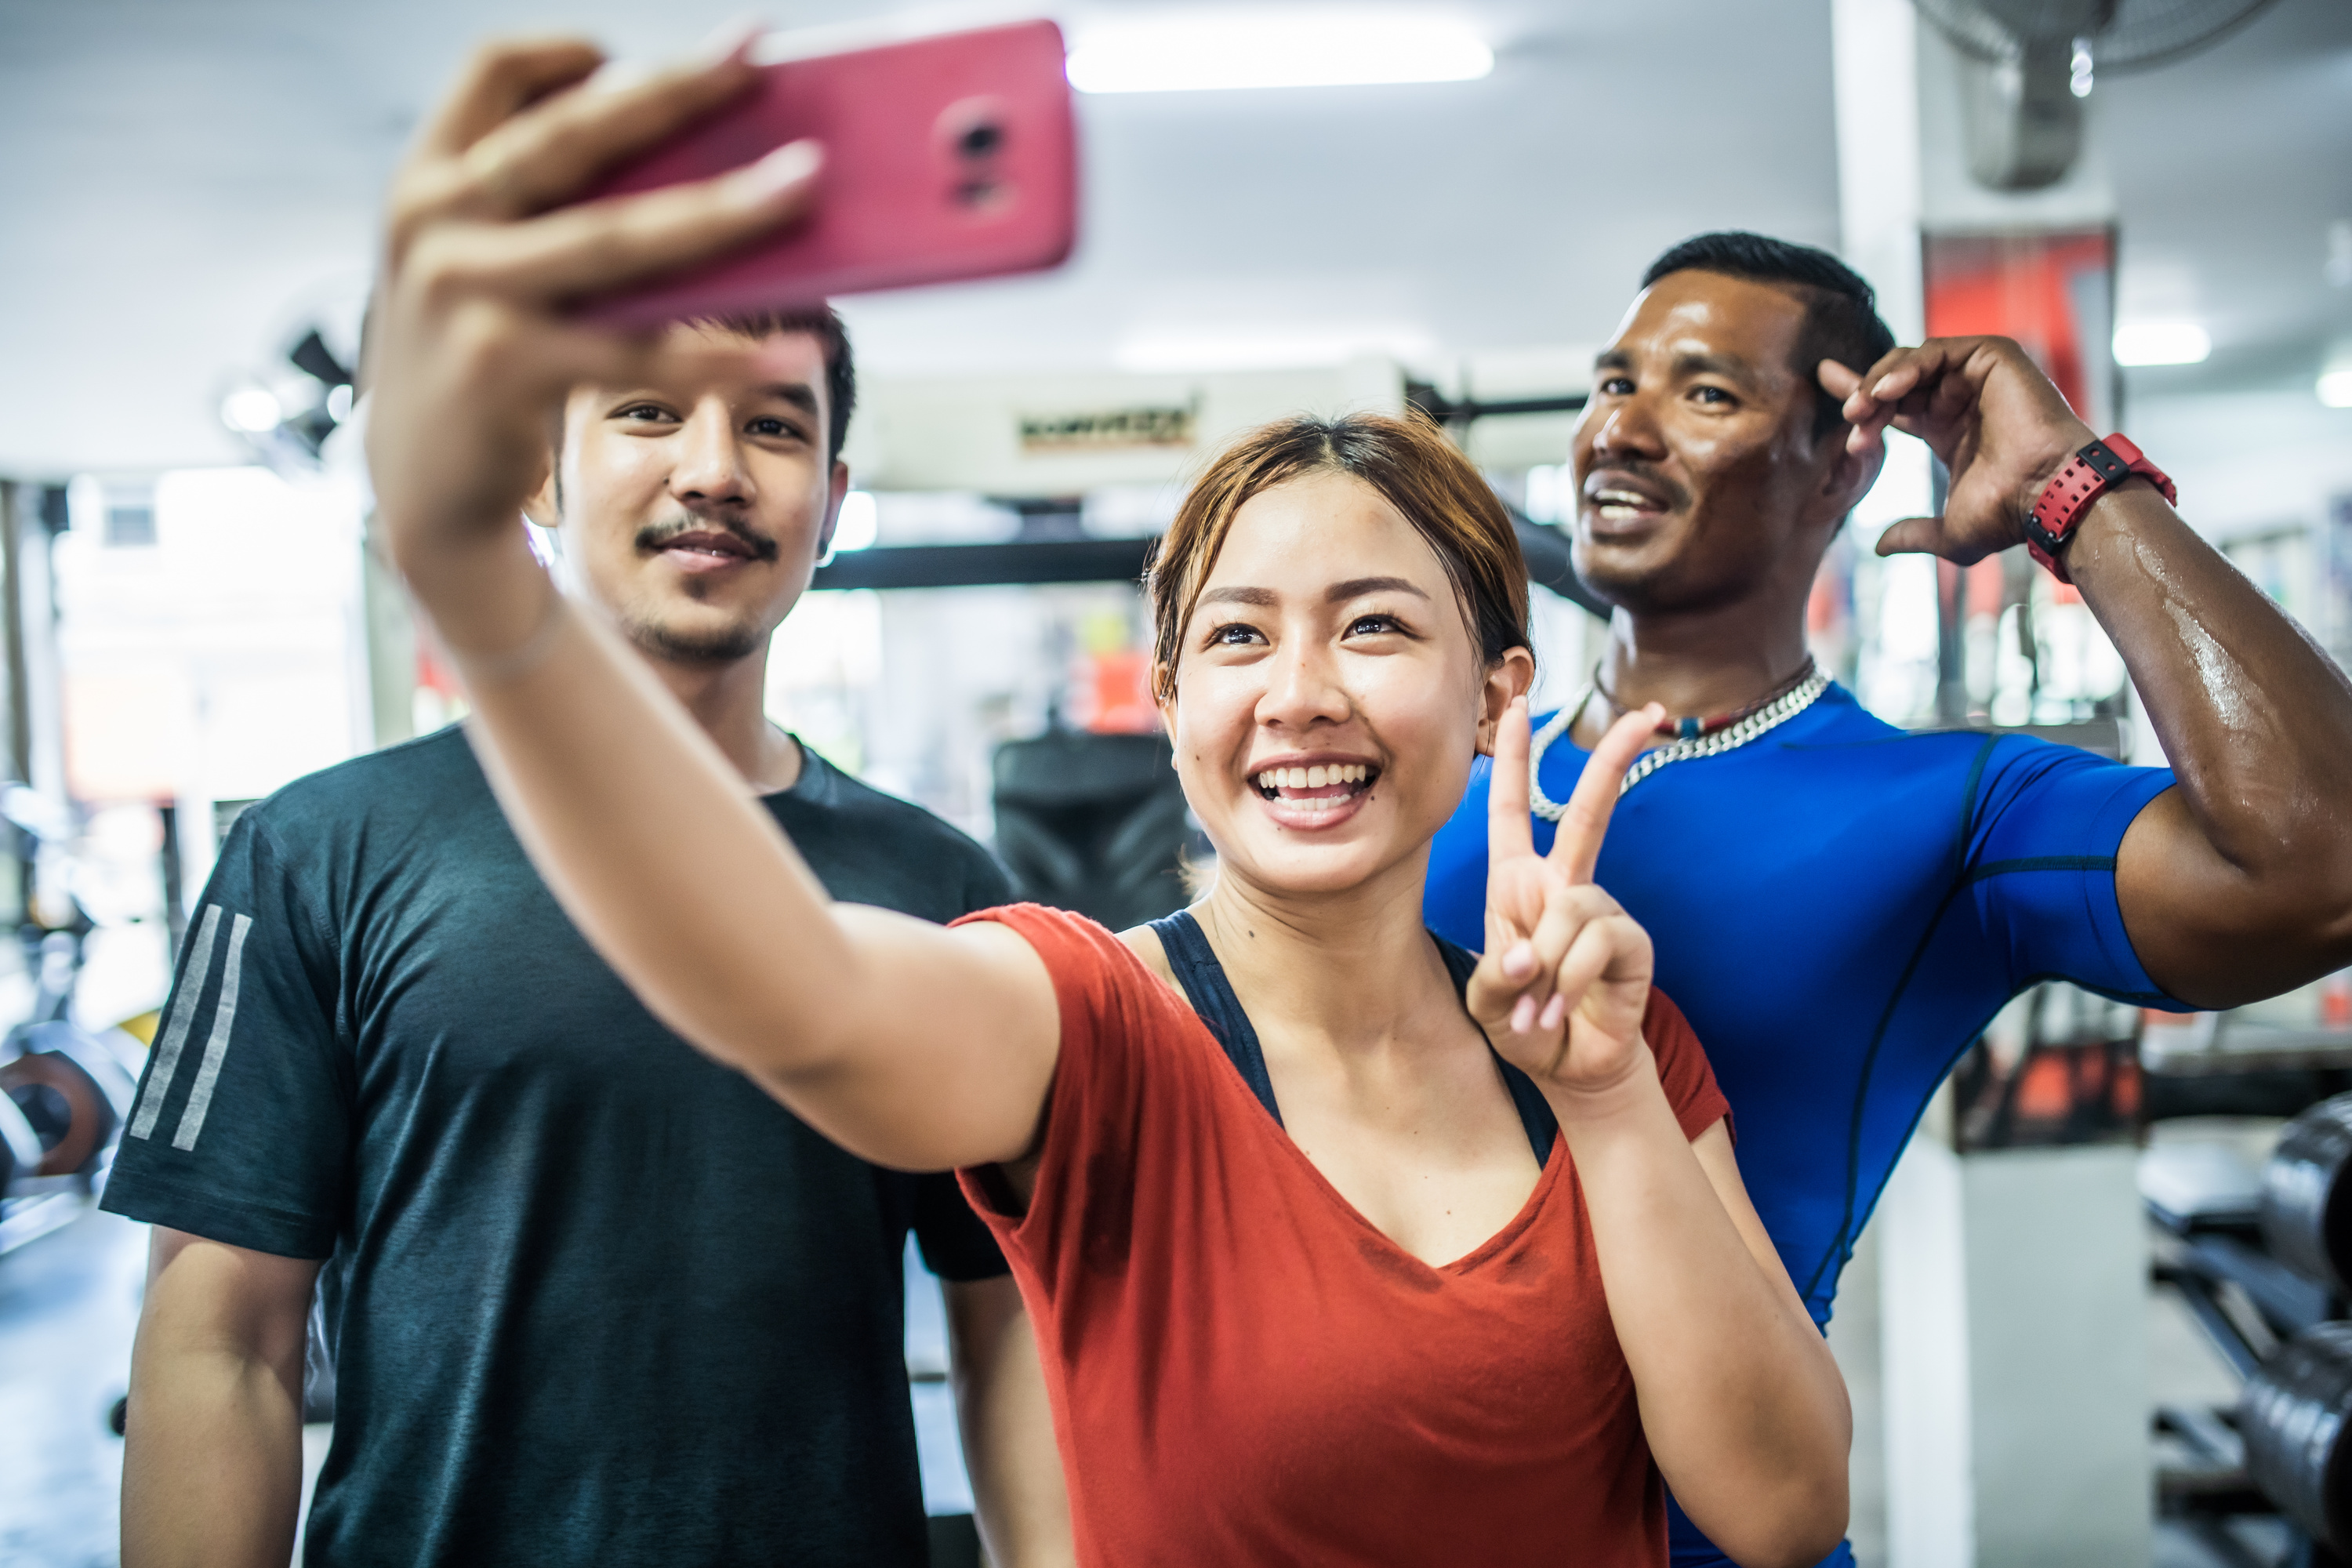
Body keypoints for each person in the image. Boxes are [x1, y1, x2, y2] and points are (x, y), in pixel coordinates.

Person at [352, 39, 1854, 1565]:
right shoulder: (1089, 1022)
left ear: (1495, 695)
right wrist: (473, 573)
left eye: (1377, 625)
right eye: (1239, 635)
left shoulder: (1608, 1046)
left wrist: (1606, 1103)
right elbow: (791, 992)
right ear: (1177, 701)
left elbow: (1784, 1506)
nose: (1302, 690)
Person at [101, 100, 1073, 1566]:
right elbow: (220, 1339)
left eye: (773, 425)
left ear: (832, 504)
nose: (716, 467)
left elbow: (1009, 1335)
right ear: (541, 478)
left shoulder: (943, 889)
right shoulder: (319, 853)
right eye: (646, 411)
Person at [1421, 231, 2352, 1567]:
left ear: (1845, 461)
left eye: (1702, 393)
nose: (1617, 429)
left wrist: (2067, 486)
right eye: (1611, 380)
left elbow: (2323, 864)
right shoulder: (1430, 773)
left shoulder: (1944, 814)